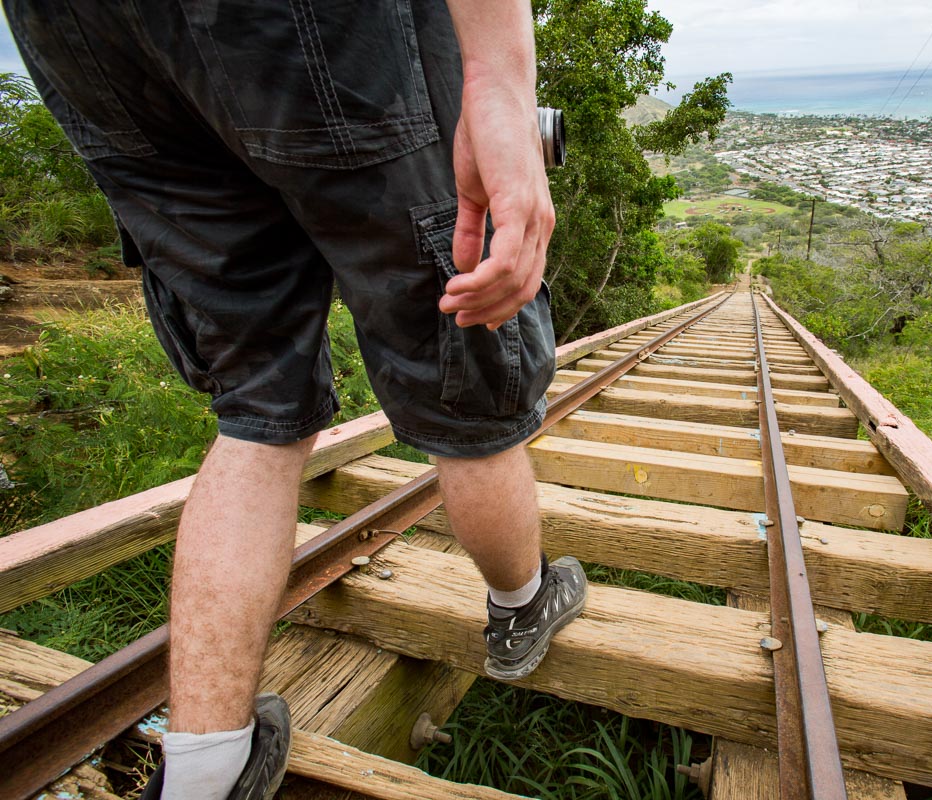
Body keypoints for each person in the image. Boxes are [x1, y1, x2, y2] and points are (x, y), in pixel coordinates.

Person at [4, 1, 588, 798]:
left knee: (255, 409)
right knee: (460, 359)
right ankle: (521, 608)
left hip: (81, 33)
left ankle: (205, 774)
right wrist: (500, 83)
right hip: (311, 29)